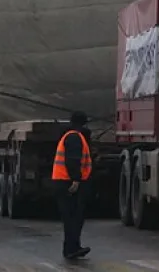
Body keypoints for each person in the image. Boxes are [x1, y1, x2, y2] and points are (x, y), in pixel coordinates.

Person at [52, 111, 92, 260]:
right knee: (73, 217)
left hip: (63, 181)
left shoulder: (70, 136)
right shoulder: (74, 137)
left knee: (71, 217)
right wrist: (76, 180)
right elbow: (73, 160)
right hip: (68, 183)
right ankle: (71, 249)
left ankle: (72, 247)